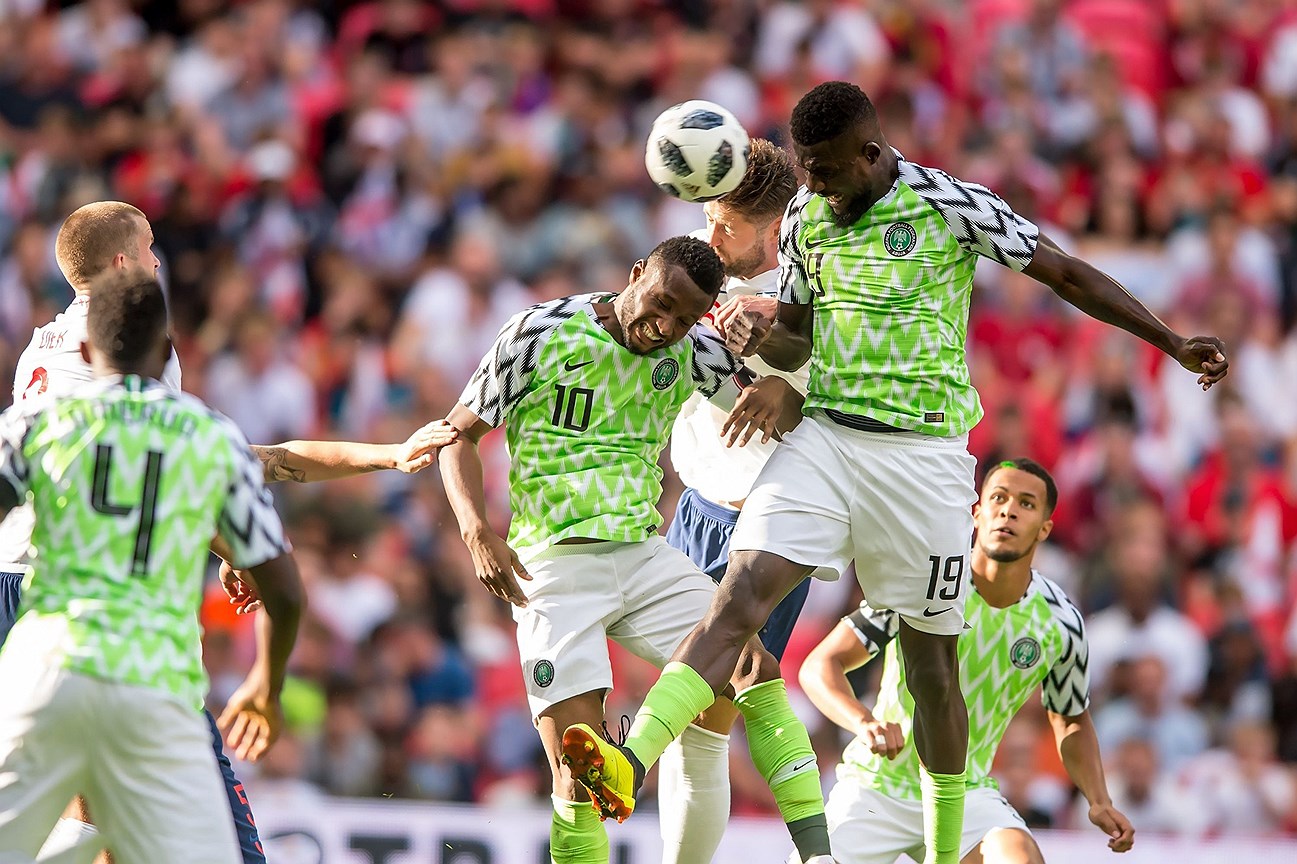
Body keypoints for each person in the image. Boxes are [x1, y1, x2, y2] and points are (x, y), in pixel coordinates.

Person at [562, 80, 1227, 864]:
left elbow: (1065, 273)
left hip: (923, 460)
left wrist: (1169, 339)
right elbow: (800, 342)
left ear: (870, 156)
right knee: (737, 598)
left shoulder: (951, 206)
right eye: (803, 169)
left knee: (929, 666)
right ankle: (627, 760)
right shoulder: (809, 215)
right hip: (828, 444)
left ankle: (944, 849)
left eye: (825, 170)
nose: (810, 187)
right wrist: (758, 341)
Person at [0, 200, 458, 864]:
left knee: (94, 830)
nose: (159, 260)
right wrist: (230, 541)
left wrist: (384, 455)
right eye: (151, 247)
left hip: (34, 622)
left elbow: (109, 474)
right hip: (129, 652)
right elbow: (188, 478)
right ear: (126, 267)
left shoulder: (41, 373)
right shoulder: (183, 419)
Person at [439, 236, 829, 864]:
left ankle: (819, 854)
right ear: (637, 273)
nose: (664, 326)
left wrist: (785, 394)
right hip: (553, 564)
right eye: (661, 303)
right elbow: (458, 437)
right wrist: (476, 530)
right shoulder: (540, 332)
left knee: (751, 666)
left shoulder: (693, 354)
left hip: (643, 556)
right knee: (577, 775)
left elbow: (781, 414)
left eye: (683, 319)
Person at [0, 276, 304, 864]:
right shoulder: (212, 438)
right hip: (154, 688)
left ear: (87, 353)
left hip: (48, 671)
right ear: (167, 351)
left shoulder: (37, 423)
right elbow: (284, 590)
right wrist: (266, 684)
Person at [798, 458, 1134, 864]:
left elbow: (1071, 719)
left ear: (1045, 527)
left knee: (1020, 858)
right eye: (998, 498)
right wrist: (862, 721)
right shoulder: (922, 582)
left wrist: (1098, 800)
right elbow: (820, 665)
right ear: (977, 512)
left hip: (966, 789)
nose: (1008, 510)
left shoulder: (1061, 621)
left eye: (1027, 504)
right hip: (877, 785)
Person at [659, 137, 810, 864]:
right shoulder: (700, 255)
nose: (712, 238)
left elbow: (843, 371)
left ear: (774, 227)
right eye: (710, 221)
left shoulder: (818, 276)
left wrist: (781, 365)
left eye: (729, 228)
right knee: (695, 706)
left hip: (766, 516)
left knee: (705, 712)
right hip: (697, 502)